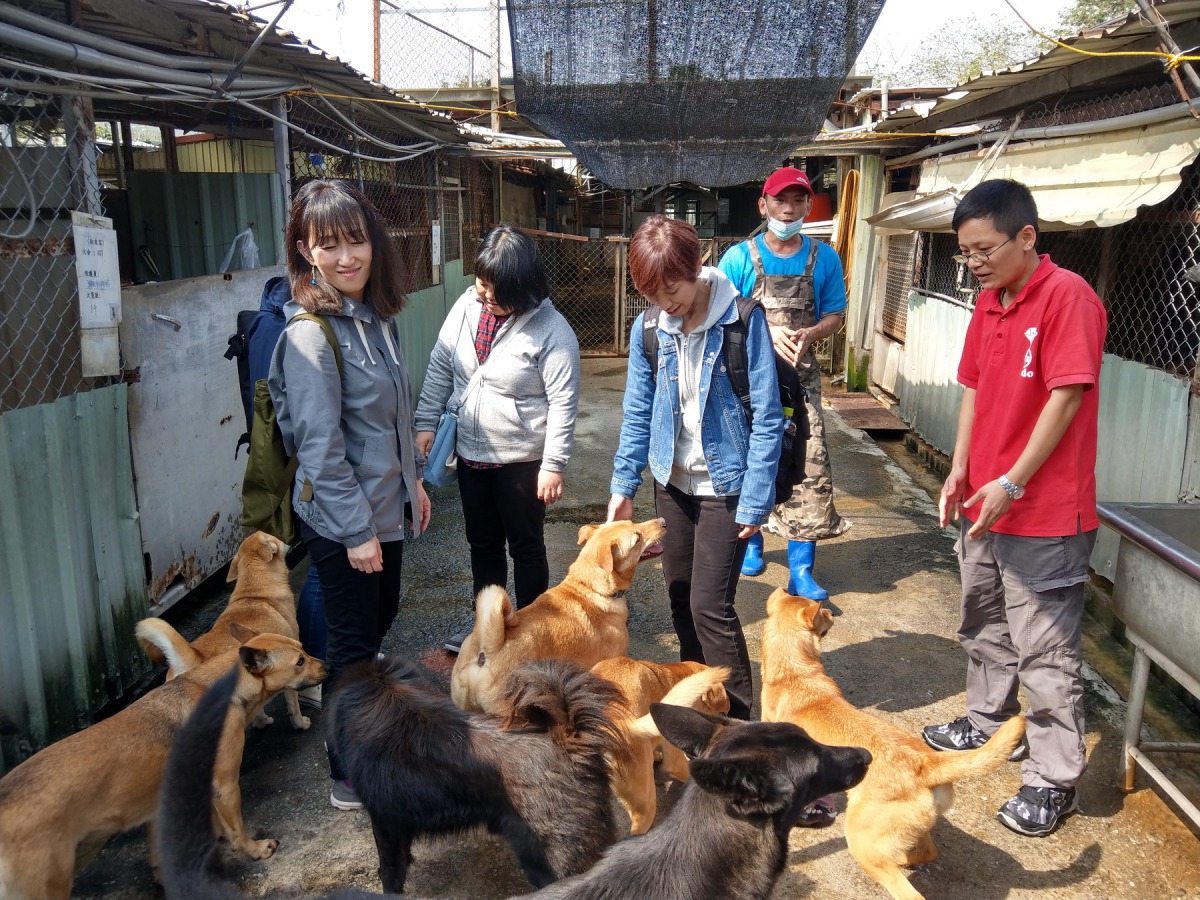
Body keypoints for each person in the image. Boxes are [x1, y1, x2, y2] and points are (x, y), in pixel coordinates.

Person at [921, 179, 1107, 838]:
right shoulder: (988, 300)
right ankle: (988, 722)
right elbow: (972, 387)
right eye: (964, 252)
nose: (973, 262)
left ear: (1026, 236)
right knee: (983, 623)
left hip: (1044, 513)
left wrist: (1015, 483)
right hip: (984, 503)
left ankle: (1054, 777)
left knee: (1046, 651)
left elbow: (1067, 397)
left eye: (984, 249)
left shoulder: (1068, 299)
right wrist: (963, 469)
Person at [268, 179, 431, 810]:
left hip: (388, 506)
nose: (346, 258)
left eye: (355, 241)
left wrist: (414, 486)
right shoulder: (312, 335)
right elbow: (320, 448)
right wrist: (358, 531)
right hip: (344, 521)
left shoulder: (375, 319)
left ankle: (357, 721)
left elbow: (394, 416)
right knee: (354, 646)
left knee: (376, 622)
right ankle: (347, 770)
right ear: (306, 251)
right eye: (328, 245)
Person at [608, 214, 783, 720]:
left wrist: (755, 498)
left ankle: (742, 726)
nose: (665, 302)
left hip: (726, 486)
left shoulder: (743, 320)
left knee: (711, 608)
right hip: (672, 483)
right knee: (681, 600)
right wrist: (624, 484)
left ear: (697, 263)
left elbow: (769, 417)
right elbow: (638, 409)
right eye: (651, 292)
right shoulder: (649, 328)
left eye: (672, 288)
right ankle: (699, 710)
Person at [415, 224, 580, 654]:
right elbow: (439, 366)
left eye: (495, 291)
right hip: (472, 456)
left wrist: (553, 464)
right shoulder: (467, 307)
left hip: (522, 463)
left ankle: (531, 633)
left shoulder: (552, 328)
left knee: (526, 548)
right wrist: (425, 422)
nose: (484, 296)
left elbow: (564, 402)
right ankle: (487, 631)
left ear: (523, 288)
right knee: (482, 545)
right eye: (481, 284)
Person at [718, 166, 850, 600]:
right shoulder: (739, 258)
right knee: (749, 458)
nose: (788, 209)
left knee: (807, 465)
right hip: (747, 383)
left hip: (801, 382)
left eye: (797, 201)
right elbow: (719, 312)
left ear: (808, 206)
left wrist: (811, 334)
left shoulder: (823, 258)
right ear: (764, 205)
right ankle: (751, 543)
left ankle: (801, 569)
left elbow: (835, 314)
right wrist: (764, 331)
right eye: (780, 201)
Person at [246, 274, 326, 706]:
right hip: (298, 460)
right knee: (321, 563)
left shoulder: (263, 322)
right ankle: (308, 671)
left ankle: (306, 664)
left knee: (315, 560)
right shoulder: (293, 328)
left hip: (279, 455)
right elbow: (300, 416)